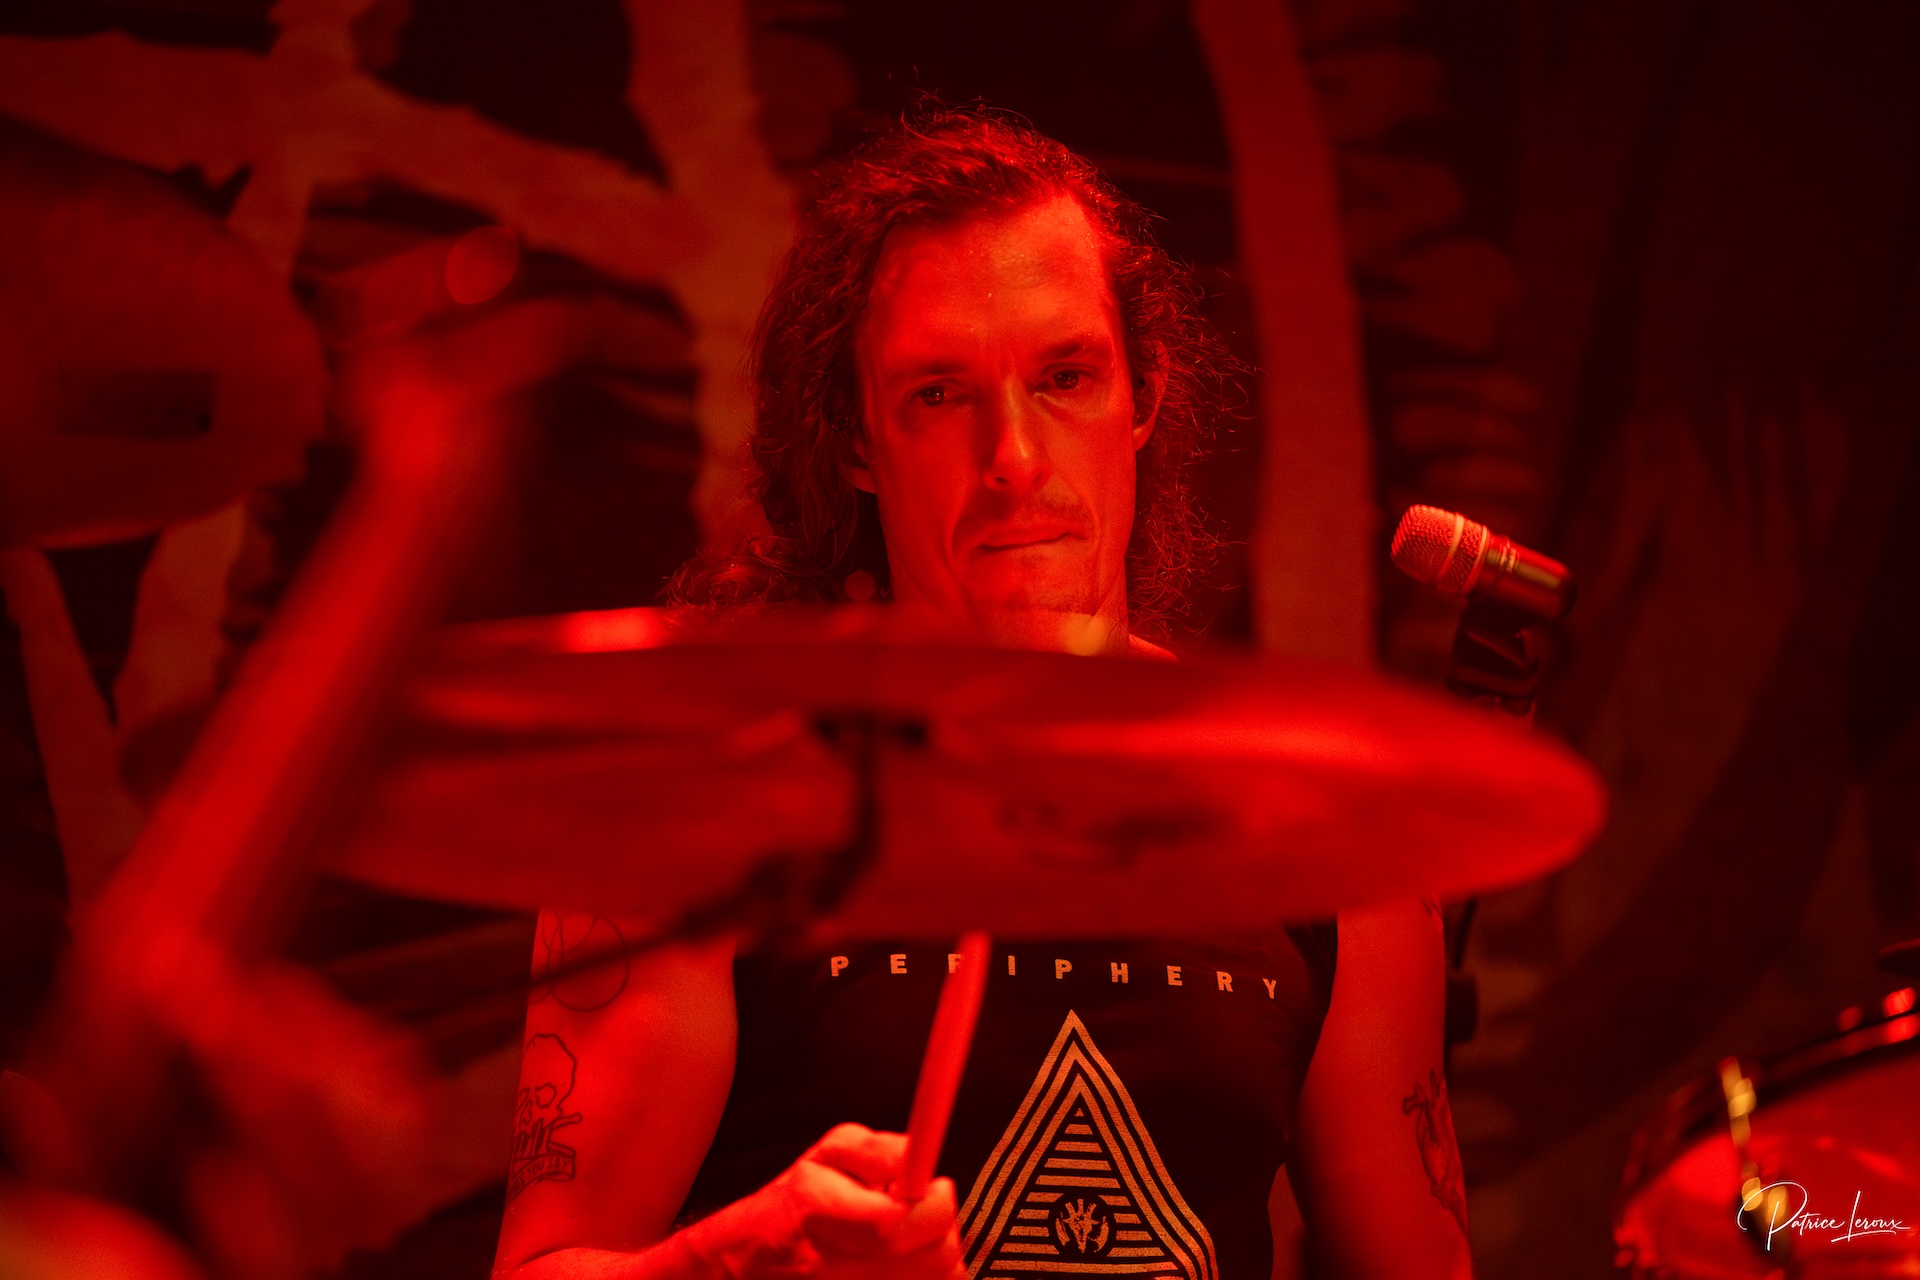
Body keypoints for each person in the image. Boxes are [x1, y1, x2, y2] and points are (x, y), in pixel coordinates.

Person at [492, 108, 1472, 1280]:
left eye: (1065, 377)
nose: (1014, 456)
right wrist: (739, 1261)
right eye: (939, 394)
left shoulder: (1329, 838)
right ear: (855, 438)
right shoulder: (691, 814)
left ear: (1144, 394)